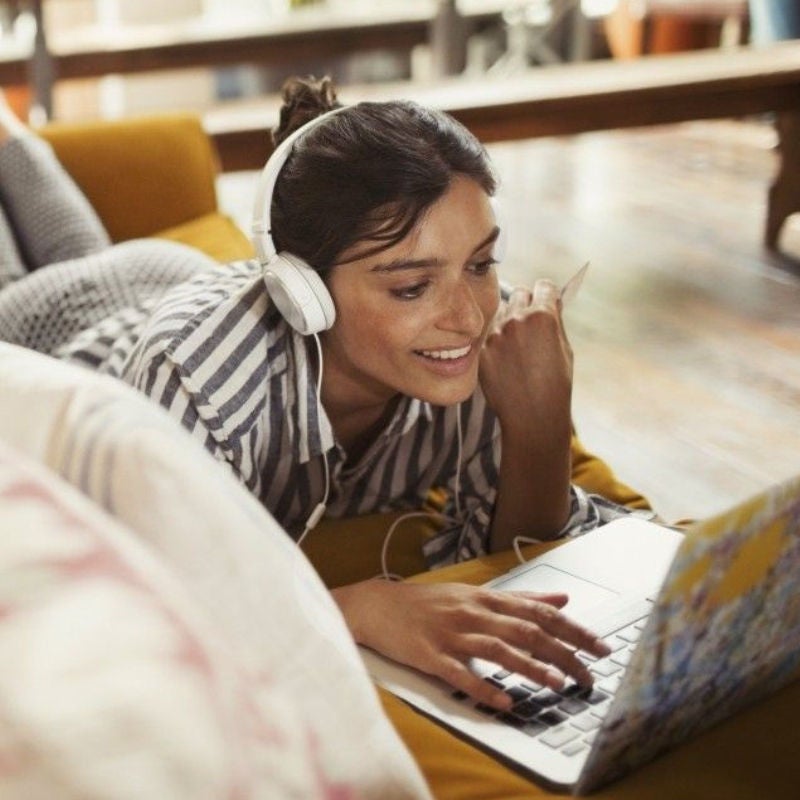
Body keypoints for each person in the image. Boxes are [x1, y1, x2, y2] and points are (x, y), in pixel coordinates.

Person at [0, 77, 652, 711]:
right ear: (300, 292)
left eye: (480, 264)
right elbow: (142, 616)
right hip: (63, 329)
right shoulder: (197, 380)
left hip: (170, 278)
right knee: (37, 261)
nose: (470, 316)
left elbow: (511, 556)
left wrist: (539, 423)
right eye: (410, 287)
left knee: (69, 242)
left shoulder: (488, 336)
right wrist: (356, 607)